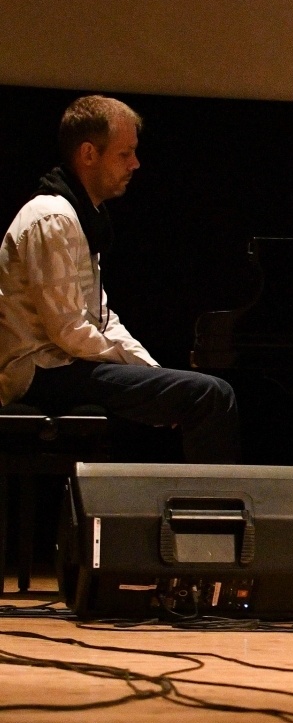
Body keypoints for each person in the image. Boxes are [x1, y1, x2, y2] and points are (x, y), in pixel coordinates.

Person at [0, 95, 241, 463]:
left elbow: (102, 318)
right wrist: (136, 371)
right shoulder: (53, 217)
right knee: (211, 395)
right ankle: (213, 502)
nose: (135, 163)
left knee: (199, 392)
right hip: (39, 371)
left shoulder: (80, 215)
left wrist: (151, 371)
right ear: (88, 154)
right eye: (125, 154)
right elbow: (68, 330)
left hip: (63, 364)